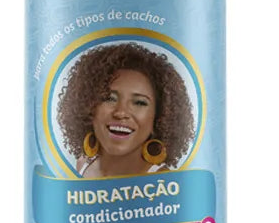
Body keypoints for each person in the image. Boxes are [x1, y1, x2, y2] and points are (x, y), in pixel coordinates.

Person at [57, 42, 196, 177]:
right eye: (109, 98)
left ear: (159, 117)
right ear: (88, 106)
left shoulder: (164, 182)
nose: (121, 113)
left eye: (139, 102)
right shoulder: (83, 165)